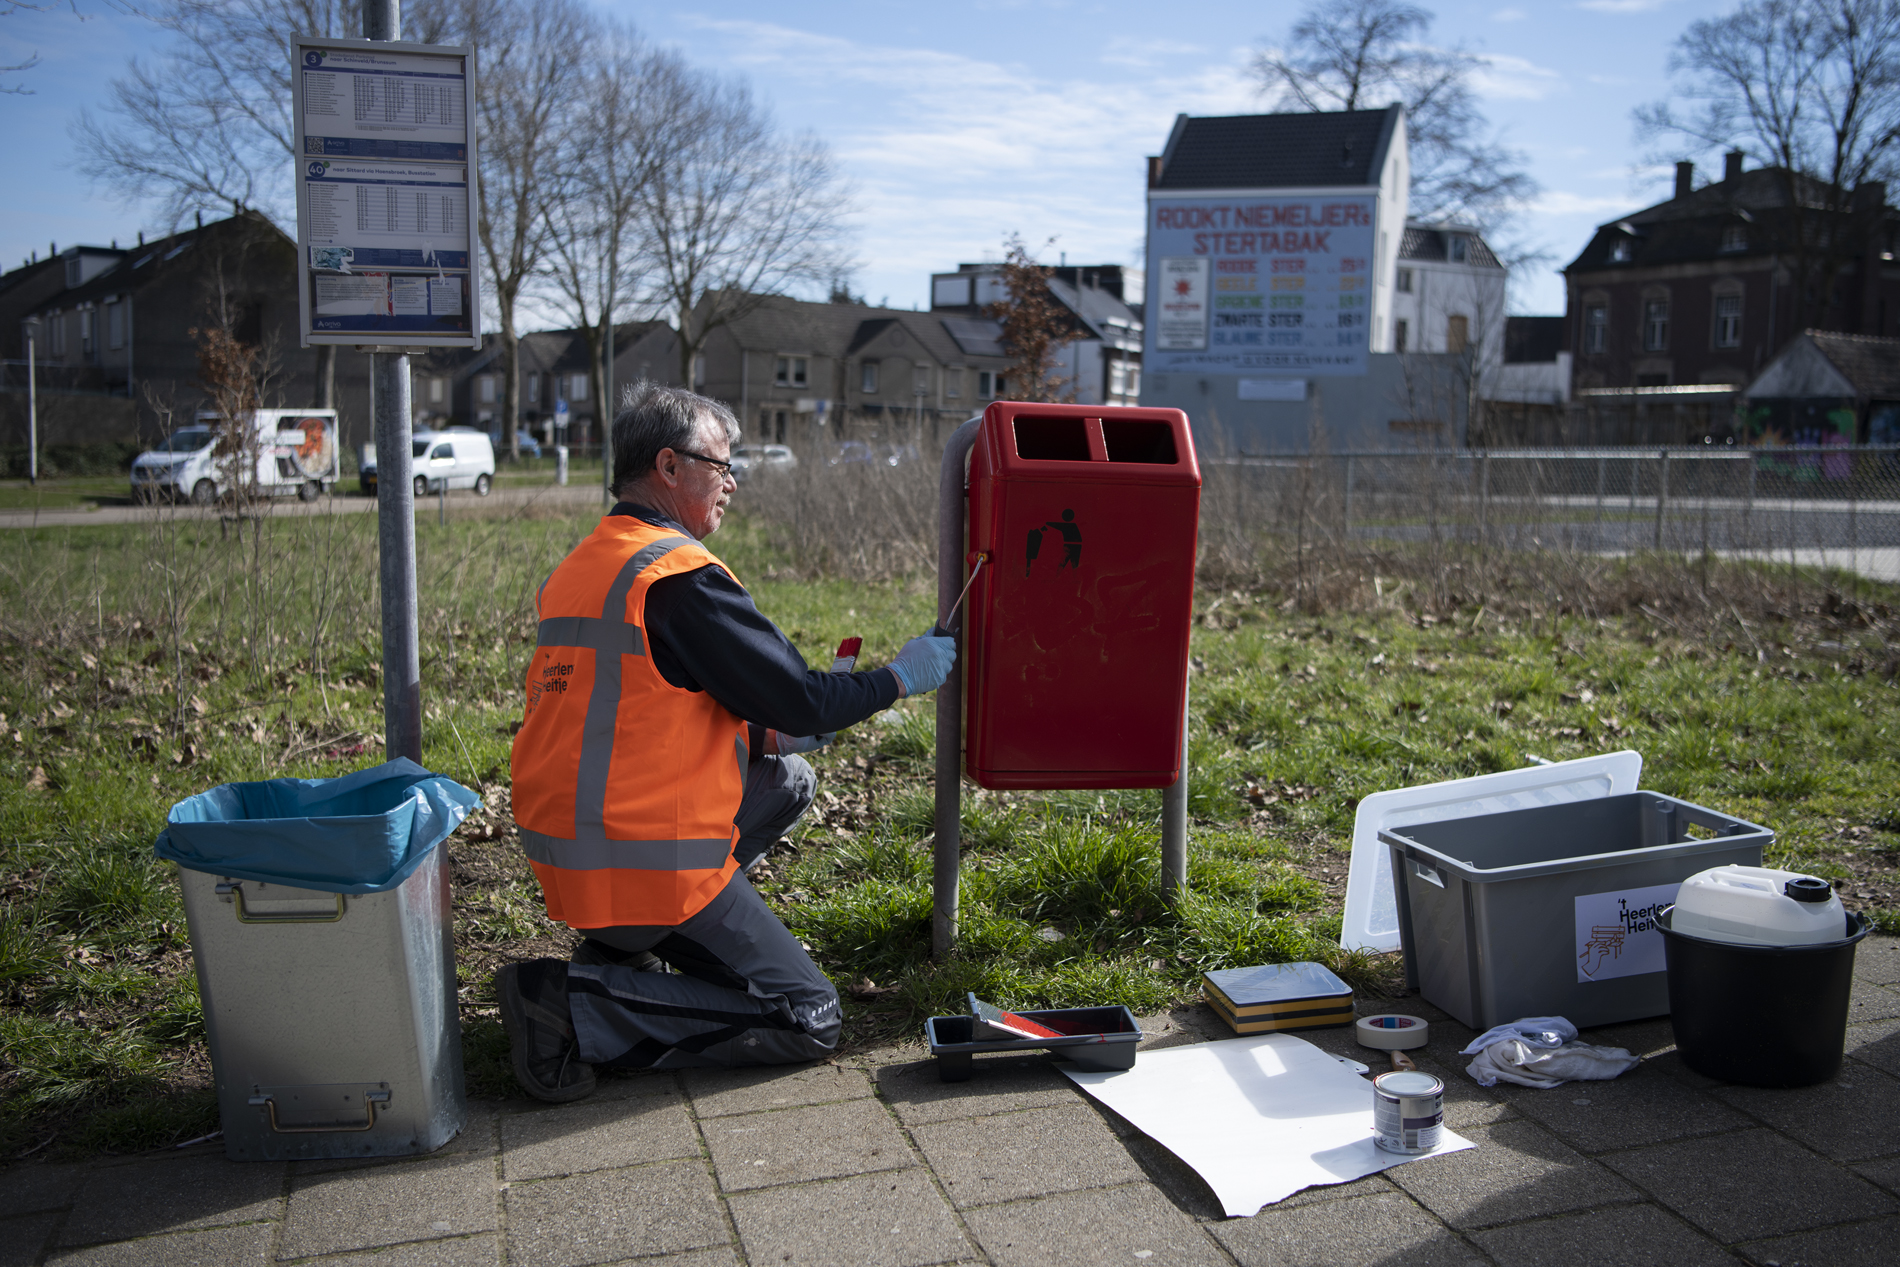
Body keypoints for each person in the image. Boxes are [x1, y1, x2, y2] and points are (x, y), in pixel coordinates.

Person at [496, 383, 955, 1102]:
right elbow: (799, 693)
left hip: (572, 854)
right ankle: (574, 1003)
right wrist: (899, 676)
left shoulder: (589, 564)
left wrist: (767, 729)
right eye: (722, 464)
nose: (733, 482)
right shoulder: (676, 578)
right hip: (643, 858)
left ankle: (624, 950)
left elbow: (641, 706)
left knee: (788, 775)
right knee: (810, 1016)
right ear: (670, 466)